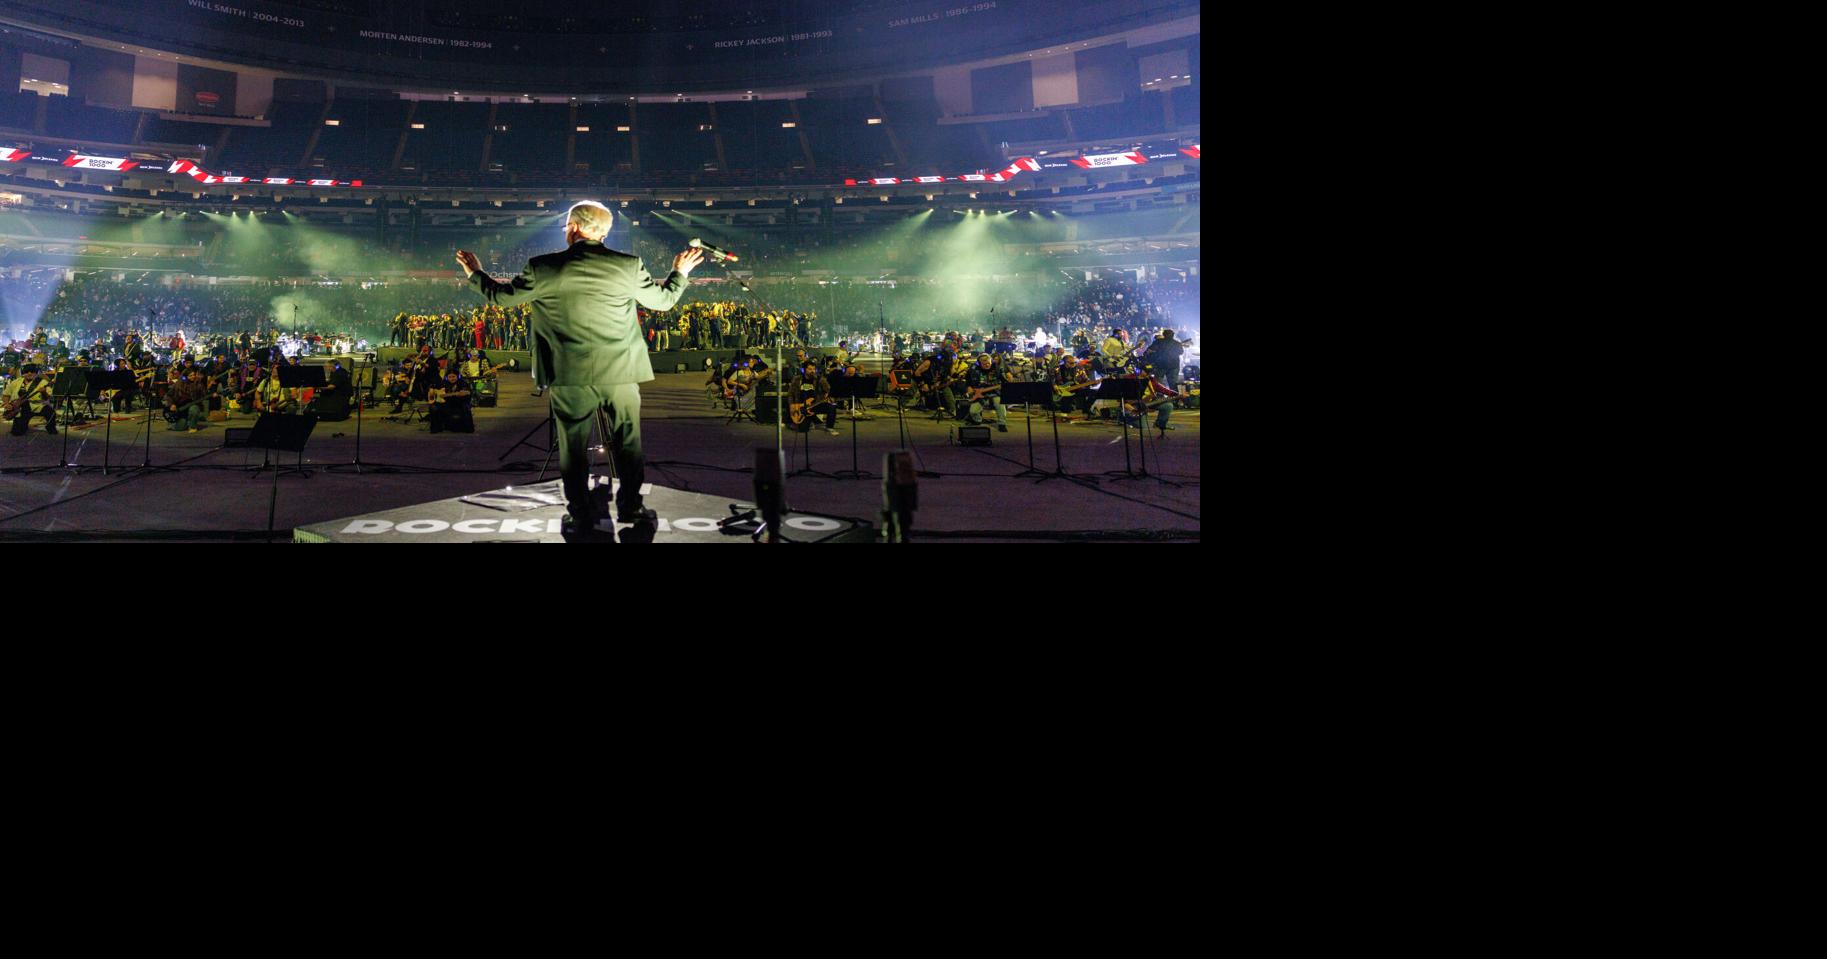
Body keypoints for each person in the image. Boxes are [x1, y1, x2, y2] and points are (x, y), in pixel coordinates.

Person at [459, 200, 703, 539]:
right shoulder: (628, 265)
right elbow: (662, 302)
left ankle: (579, 514)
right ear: (602, 232)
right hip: (620, 372)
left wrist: (475, 273)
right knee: (628, 443)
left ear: (574, 227)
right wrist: (680, 273)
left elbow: (501, 299)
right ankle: (631, 506)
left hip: (568, 374)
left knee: (572, 448)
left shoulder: (543, 267)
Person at [4, 365, 55, 436]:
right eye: (26, 372)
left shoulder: (43, 382)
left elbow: (47, 398)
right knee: (16, 432)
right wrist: (7, 404)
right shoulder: (16, 382)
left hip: (38, 406)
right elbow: (6, 394)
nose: (29, 373)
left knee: (50, 412)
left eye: (32, 372)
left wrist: (43, 392)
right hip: (20, 408)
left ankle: (51, 429)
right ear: (23, 373)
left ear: (36, 373)